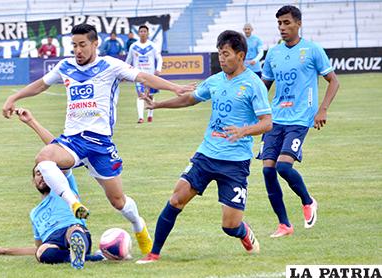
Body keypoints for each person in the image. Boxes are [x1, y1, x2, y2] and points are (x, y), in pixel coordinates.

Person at [2, 24, 195, 259]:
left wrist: (175, 87)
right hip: (72, 141)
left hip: (100, 144)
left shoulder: (110, 65)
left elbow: (143, 76)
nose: (77, 50)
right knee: (43, 158)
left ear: (95, 44)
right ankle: (74, 204)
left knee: (118, 201)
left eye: (82, 45)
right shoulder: (65, 66)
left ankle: (139, 226)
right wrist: (14, 96)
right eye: (74, 45)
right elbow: (41, 84)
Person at [136, 30, 272, 264]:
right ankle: (154, 253)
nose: (221, 58)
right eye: (219, 53)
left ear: (240, 55)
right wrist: (158, 105)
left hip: (235, 162)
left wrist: (244, 130)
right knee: (176, 198)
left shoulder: (253, 84)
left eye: (226, 54)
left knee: (229, 226)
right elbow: (190, 98)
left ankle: (243, 232)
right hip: (206, 155)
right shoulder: (216, 80)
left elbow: (267, 123)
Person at [259, 5, 339, 238]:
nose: (282, 28)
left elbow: (333, 81)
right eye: (279, 24)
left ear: (298, 24)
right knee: (267, 171)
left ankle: (308, 201)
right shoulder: (273, 53)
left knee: (283, 166)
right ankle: (284, 224)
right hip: (276, 119)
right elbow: (264, 86)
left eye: (286, 23)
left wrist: (322, 109)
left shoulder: (312, 50)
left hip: (301, 117)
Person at [0, 108, 104, 269]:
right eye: (38, 173)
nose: (42, 176)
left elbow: (56, 148)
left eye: (44, 172)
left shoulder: (64, 188)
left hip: (72, 230)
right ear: (33, 181)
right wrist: (6, 250)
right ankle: (87, 257)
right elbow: (37, 248)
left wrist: (31, 122)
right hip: (52, 242)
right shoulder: (34, 213)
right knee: (42, 252)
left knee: (74, 231)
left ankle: (79, 249)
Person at [126, 25, 163, 124]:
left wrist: (158, 69)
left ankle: (150, 115)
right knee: (140, 95)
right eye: (141, 31)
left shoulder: (152, 45)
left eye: (144, 31)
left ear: (148, 33)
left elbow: (159, 58)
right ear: (138, 33)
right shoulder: (133, 46)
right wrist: (124, 71)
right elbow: (128, 59)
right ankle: (141, 117)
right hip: (138, 75)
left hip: (151, 75)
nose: (143, 33)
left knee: (150, 96)